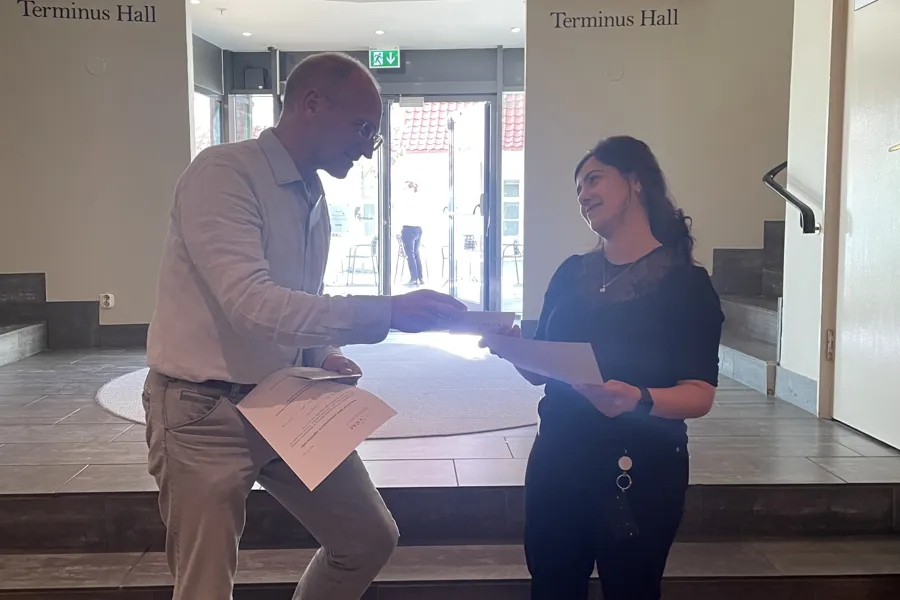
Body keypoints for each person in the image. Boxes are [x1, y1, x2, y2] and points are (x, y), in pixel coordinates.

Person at [143, 52, 467, 600]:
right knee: (204, 587)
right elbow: (251, 303)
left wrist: (322, 353)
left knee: (367, 537)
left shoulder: (312, 195)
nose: (368, 147)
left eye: (375, 135)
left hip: (282, 400)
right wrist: (387, 311)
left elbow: (298, 302)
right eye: (363, 127)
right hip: (202, 412)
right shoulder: (223, 173)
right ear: (311, 104)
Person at [484, 136, 724, 599]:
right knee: (552, 586)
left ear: (635, 182)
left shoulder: (686, 285)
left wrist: (636, 398)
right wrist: (516, 350)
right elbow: (544, 371)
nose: (583, 195)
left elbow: (700, 392)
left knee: (631, 589)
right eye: (578, 189)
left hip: (639, 466)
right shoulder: (570, 272)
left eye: (594, 179)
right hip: (558, 457)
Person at [394, 180, 427, 286]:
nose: (403, 190)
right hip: (418, 229)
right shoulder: (418, 198)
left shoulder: (406, 200)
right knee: (416, 254)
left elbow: (400, 214)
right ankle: (420, 278)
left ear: (409, 188)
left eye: (404, 188)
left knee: (410, 255)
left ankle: (413, 279)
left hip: (408, 229)